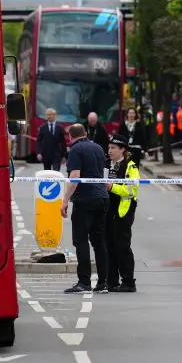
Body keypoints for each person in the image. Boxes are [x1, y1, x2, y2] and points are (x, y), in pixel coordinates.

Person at [61, 124, 110, 294]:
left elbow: (75, 177)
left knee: (81, 240)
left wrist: (65, 200)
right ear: (85, 134)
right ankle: (103, 282)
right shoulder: (98, 148)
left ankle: (84, 282)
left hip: (85, 199)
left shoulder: (75, 150)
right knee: (99, 241)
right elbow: (104, 173)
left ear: (70, 137)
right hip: (102, 197)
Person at [105, 136, 139, 293]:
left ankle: (128, 282)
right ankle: (111, 281)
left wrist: (112, 187)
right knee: (108, 246)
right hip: (107, 210)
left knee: (122, 246)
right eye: (109, 147)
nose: (110, 150)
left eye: (113, 148)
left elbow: (131, 191)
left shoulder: (131, 167)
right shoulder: (107, 165)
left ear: (123, 149)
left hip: (123, 211)